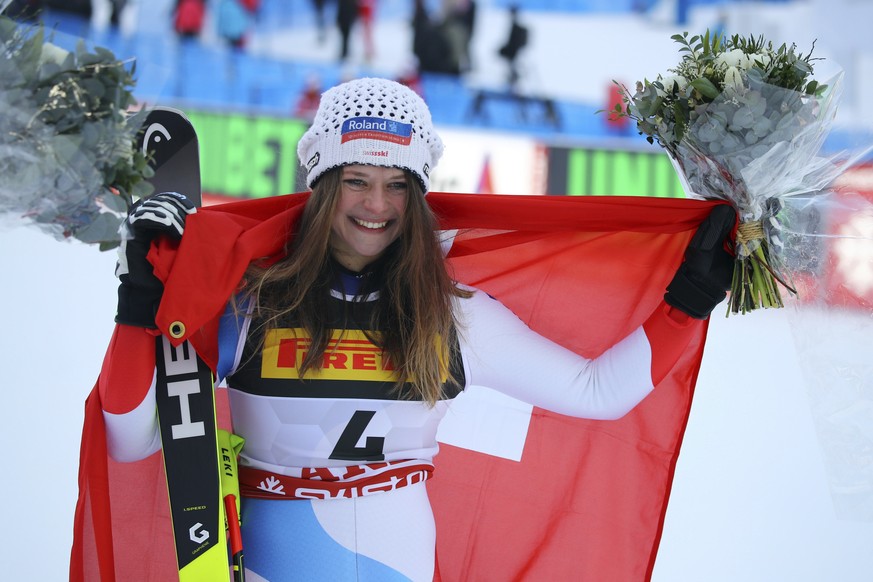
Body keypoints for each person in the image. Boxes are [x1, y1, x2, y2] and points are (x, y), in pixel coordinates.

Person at [95, 78, 735, 580]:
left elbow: (598, 391)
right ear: (320, 186)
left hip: (396, 557)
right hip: (272, 556)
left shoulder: (452, 313)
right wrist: (135, 310)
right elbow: (130, 439)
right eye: (356, 181)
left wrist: (688, 302)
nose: (377, 205)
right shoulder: (251, 303)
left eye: (398, 185)